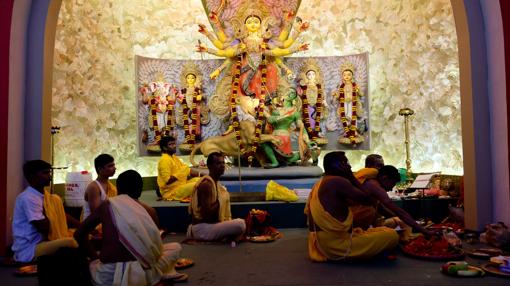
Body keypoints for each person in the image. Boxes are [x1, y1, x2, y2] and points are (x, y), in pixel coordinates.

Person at [74, 170, 186, 285]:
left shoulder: (107, 205)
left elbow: (78, 234)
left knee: (86, 265)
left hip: (108, 275)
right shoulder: (150, 211)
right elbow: (155, 247)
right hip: (144, 273)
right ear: (140, 190)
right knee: (175, 247)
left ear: (118, 189)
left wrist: (94, 257)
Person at [304, 152, 398, 262]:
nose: (349, 166)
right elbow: (369, 201)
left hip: (322, 242)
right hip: (337, 245)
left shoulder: (321, 182)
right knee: (392, 236)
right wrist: (351, 176)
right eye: (346, 163)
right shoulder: (338, 181)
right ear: (340, 165)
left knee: (383, 230)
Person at [11, 160, 80, 263]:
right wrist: (46, 209)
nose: (50, 176)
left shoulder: (47, 196)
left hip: (45, 243)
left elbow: (63, 217)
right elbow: (44, 228)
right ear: (32, 177)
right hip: (30, 249)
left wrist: (83, 226)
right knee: (70, 242)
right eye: (45, 173)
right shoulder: (28, 198)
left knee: (80, 234)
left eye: (49, 172)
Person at [358, 165, 431, 240]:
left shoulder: (372, 183)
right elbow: (400, 212)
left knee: (401, 222)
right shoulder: (374, 186)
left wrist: (398, 217)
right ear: (384, 178)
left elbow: (383, 210)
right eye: (392, 184)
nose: (390, 189)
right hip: (356, 229)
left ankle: (406, 238)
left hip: (370, 225)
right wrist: (423, 230)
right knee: (392, 236)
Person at [187, 152, 246, 242]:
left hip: (212, 225)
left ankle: (225, 236)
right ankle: (225, 236)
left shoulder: (216, 183)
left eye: (223, 163)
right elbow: (207, 215)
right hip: (202, 228)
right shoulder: (206, 185)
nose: (222, 166)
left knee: (240, 222)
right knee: (240, 224)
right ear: (209, 166)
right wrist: (221, 199)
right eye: (218, 163)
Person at [261, 86, 310, 168]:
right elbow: (271, 122)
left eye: (290, 93)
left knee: (263, 142)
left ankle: (275, 162)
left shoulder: (293, 112)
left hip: (283, 136)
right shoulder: (276, 109)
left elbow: (300, 126)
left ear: (292, 97)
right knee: (286, 158)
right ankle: (276, 161)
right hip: (274, 134)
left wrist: (306, 139)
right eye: (286, 91)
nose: (286, 93)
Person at [175, 62, 209, 150]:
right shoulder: (183, 90)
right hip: (186, 109)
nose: (190, 79)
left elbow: (204, 96)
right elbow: (180, 98)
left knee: (194, 123)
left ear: (195, 79)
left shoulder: (197, 89)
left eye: (192, 78)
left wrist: (200, 96)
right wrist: (178, 98)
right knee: (188, 123)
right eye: (188, 78)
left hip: (195, 109)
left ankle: (193, 138)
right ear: (185, 79)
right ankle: (188, 138)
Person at [157, 136, 201, 201]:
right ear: (164, 147)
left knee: (201, 180)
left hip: (181, 185)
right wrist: (181, 172)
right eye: (171, 144)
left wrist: (204, 175)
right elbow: (167, 181)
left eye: (174, 143)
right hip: (172, 192)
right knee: (199, 184)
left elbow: (187, 170)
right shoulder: (164, 160)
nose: (174, 146)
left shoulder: (174, 157)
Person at [297, 59, 328, 145]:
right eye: (309, 74)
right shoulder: (303, 86)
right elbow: (299, 96)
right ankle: (310, 135)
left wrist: (324, 101)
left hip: (316, 106)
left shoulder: (319, 86)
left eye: (313, 74)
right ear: (306, 75)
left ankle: (316, 133)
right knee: (309, 121)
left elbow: (322, 95)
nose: (311, 76)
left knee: (316, 120)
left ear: (316, 75)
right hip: (307, 107)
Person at [332, 62, 365, 145]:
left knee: (353, 117)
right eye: (345, 75)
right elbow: (338, 96)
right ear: (342, 76)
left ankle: (354, 132)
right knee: (345, 118)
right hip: (344, 105)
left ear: (352, 76)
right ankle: (346, 131)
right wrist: (335, 95)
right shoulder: (341, 86)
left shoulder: (355, 85)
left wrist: (358, 90)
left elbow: (361, 94)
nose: (347, 77)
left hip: (352, 104)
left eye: (349, 74)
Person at [83, 154, 117, 220]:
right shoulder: (94, 187)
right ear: (100, 169)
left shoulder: (111, 186)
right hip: (92, 227)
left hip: (106, 223)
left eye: (114, 165)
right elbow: (96, 214)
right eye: (110, 166)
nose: (114, 168)